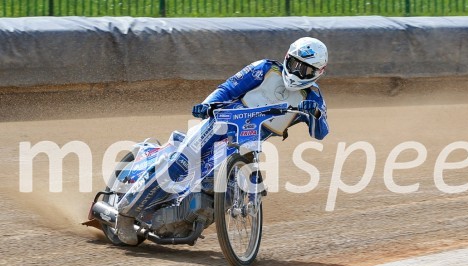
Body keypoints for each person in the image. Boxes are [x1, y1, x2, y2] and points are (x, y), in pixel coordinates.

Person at [114, 36, 331, 245]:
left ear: (318, 72)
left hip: (249, 142)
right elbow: (229, 87)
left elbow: (320, 133)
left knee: (226, 189)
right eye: (294, 64)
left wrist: (316, 114)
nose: (296, 72)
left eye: (305, 69)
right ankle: (125, 214)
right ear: (287, 57)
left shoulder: (312, 97)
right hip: (219, 125)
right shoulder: (264, 69)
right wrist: (208, 104)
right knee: (180, 164)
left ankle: (182, 220)